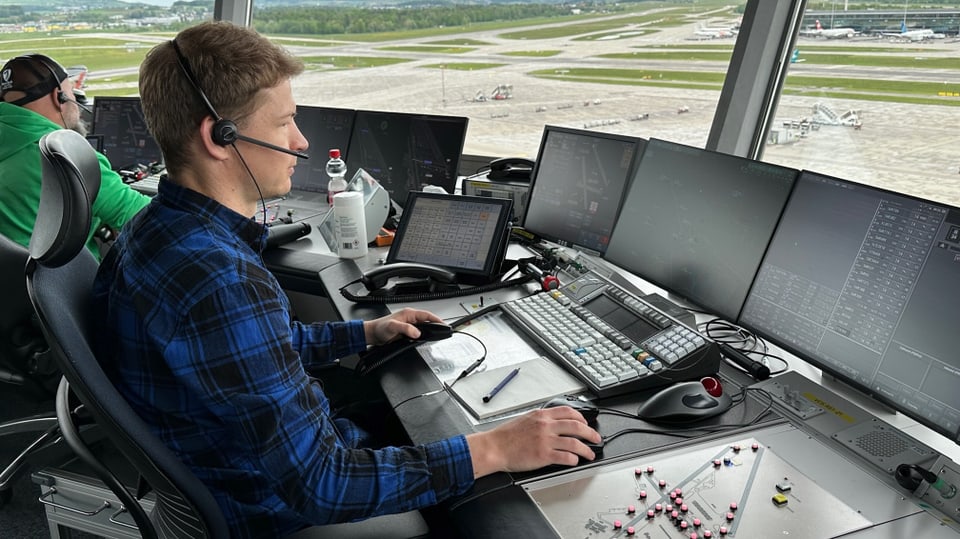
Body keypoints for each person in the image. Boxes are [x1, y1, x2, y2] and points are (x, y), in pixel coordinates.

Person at [92, 21, 601, 538]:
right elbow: (324, 485)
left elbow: (253, 351)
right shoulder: (217, 279)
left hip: (230, 474)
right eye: (285, 122)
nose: (300, 140)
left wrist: (363, 333)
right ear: (220, 138)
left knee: (410, 415)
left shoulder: (155, 230)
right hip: (271, 510)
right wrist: (495, 448)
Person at [0, 53, 150, 257]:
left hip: (13, 281)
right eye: (70, 90)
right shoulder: (67, 157)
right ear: (59, 96)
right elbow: (146, 217)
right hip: (66, 285)